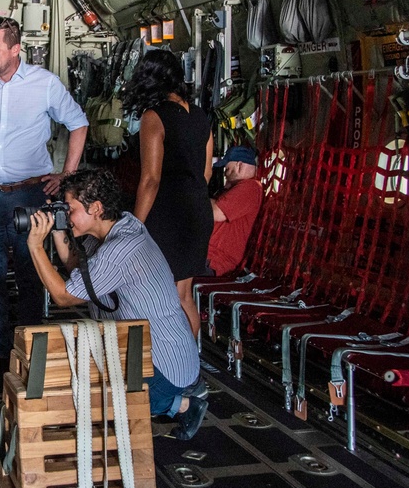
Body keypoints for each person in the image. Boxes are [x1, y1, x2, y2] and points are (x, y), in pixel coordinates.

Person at [0, 16, 89, 383]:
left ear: (16, 49)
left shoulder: (44, 84)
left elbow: (78, 123)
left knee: (31, 275)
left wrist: (67, 175)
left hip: (31, 194)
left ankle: (30, 356)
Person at [25, 169, 208, 440]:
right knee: (85, 373)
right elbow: (77, 266)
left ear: (96, 208)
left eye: (71, 208)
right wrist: (58, 226)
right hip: (142, 351)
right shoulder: (121, 225)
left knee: (93, 396)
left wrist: (35, 246)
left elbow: (63, 297)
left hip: (164, 367)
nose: (68, 214)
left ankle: (181, 404)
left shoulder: (120, 249)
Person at [123, 49, 213, 338]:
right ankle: (190, 368)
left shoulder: (154, 116)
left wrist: (133, 225)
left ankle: (178, 368)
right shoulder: (200, 116)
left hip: (169, 216)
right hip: (198, 210)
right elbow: (206, 173)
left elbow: (150, 179)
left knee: (166, 296)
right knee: (183, 294)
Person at [206, 145, 263, 277]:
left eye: (228, 169)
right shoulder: (236, 188)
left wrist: (192, 195)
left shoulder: (250, 187)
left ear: (240, 165)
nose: (225, 174)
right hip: (205, 255)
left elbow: (217, 212)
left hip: (214, 260)